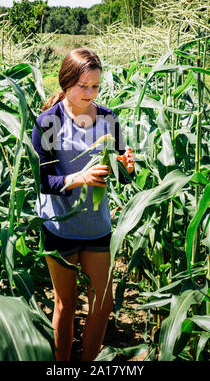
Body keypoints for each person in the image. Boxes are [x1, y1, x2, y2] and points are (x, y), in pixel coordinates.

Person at [32, 48, 135, 361]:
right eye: (83, 86)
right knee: (65, 305)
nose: (90, 93)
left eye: (96, 86)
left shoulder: (108, 119)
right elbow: (45, 183)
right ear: (66, 84)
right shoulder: (49, 122)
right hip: (60, 227)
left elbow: (122, 174)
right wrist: (80, 177)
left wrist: (128, 168)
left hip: (97, 227)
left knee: (103, 306)